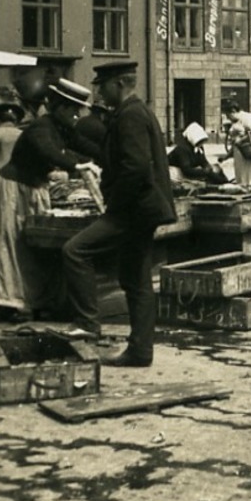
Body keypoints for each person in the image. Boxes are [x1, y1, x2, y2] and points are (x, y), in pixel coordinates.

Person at [62, 60, 175, 367]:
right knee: (136, 279)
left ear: (120, 84)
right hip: (142, 210)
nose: (100, 93)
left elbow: (136, 168)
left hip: (133, 210)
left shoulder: (130, 116)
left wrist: (114, 207)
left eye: (103, 86)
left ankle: (87, 323)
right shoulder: (134, 112)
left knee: (75, 250)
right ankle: (140, 351)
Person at [0, 78, 93, 318]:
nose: (78, 115)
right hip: (12, 189)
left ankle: (37, 300)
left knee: (36, 246)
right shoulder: (41, 128)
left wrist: (108, 157)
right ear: (61, 108)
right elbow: (48, 151)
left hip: (33, 188)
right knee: (11, 245)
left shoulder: (63, 128)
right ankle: (8, 304)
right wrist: (78, 165)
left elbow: (84, 145)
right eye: (74, 110)